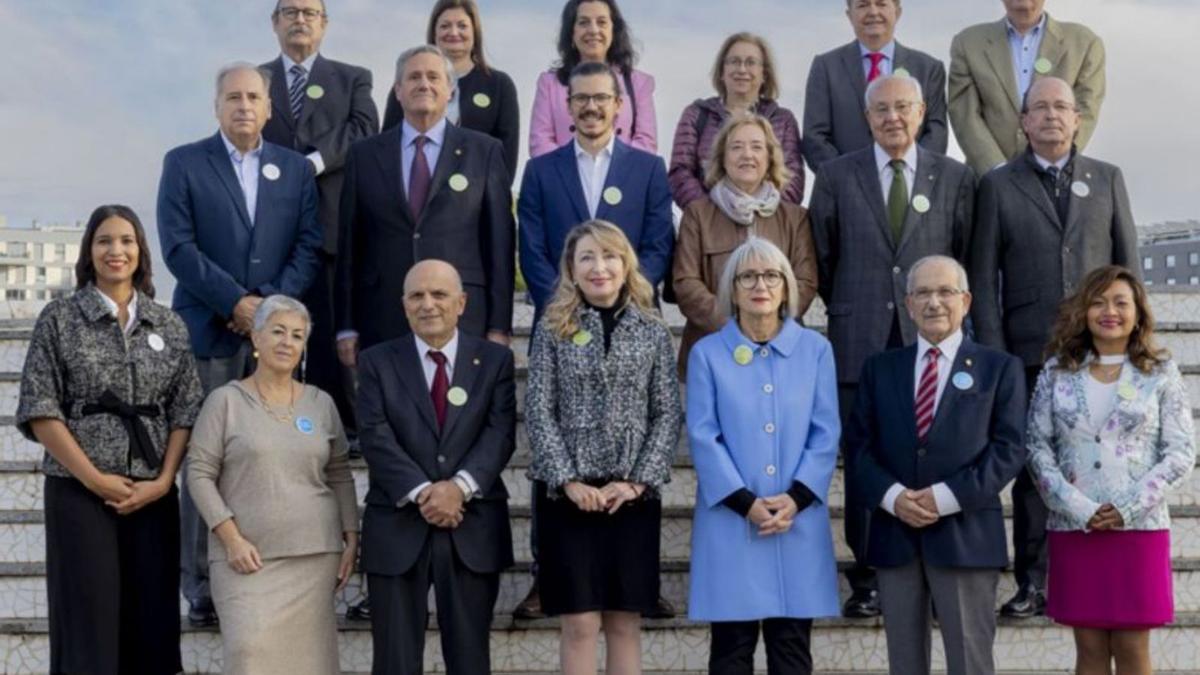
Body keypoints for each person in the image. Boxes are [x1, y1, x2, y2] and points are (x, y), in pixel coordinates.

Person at [158, 61, 323, 626]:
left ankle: (270, 564)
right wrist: (237, 304)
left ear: (270, 107)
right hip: (207, 334)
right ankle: (200, 582)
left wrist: (268, 310)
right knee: (205, 461)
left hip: (274, 342)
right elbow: (178, 248)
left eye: (254, 96)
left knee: (273, 459)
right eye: (233, 97)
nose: (244, 106)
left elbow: (309, 244)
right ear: (217, 106)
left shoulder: (296, 170)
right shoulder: (183, 163)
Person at [968, 75, 1138, 618]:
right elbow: (982, 273)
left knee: (1098, 463)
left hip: (1100, 352)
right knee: (1033, 474)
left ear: (1077, 118)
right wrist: (996, 355)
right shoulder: (997, 186)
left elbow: (1128, 271)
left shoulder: (1107, 179)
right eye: (1039, 107)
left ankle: (1091, 575)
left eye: (1061, 107)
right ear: (1023, 121)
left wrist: (1130, 346)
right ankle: (1034, 582)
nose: (1051, 116)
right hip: (1027, 353)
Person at [808, 72, 975, 618]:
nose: (892, 118)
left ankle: (929, 570)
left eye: (903, 108)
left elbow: (963, 253)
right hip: (858, 343)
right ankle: (866, 577)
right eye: (881, 109)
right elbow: (824, 260)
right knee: (863, 462)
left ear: (922, 111)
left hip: (931, 343)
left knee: (931, 458)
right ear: (867, 116)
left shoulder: (953, 177)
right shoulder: (834, 176)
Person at [16, 205, 203, 675]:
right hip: (79, 493)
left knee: (152, 624)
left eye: (126, 241)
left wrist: (163, 482)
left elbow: (185, 410)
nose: (115, 251)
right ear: (89, 251)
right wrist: (97, 480)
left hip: (151, 495)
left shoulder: (168, 324)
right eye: (104, 241)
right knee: (87, 624)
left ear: (141, 251)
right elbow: (41, 409)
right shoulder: (60, 318)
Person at [848, 255, 1027, 675]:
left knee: (970, 663)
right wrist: (894, 498)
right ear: (908, 304)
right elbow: (857, 446)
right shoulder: (880, 368)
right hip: (896, 536)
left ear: (965, 301)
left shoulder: (999, 368)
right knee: (904, 665)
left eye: (945, 291)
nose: (934, 302)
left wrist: (944, 498)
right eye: (923, 293)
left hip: (966, 536)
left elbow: (1009, 449)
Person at [525, 220, 682, 675]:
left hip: (629, 500)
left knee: (624, 622)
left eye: (609, 255)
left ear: (625, 263)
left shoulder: (651, 330)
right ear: (571, 269)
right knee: (579, 623)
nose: (599, 267)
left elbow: (666, 413)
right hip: (567, 498)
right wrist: (568, 480)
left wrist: (635, 484)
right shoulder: (552, 328)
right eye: (587, 258)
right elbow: (539, 409)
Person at [1027, 265, 1195, 675]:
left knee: (1133, 649)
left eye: (1121, 302)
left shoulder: (1160, 372)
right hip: (1075, 527)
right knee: (1089, 649)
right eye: (1098, 301)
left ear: (1138, 311)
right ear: (1083, 310)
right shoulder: (1056, 371)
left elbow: (1180, 452)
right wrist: (1080, 507)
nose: (1110, 311)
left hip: (1139, 529)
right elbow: (1036, 447)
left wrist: (1127, 507)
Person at [686, 238, 841, 675]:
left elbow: (825, 431)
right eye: (748, 276)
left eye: (771, 275)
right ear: (731, 290)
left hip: (797, 520)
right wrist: (746, 504)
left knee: (792, 650)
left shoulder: (815, 351)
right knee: (730, 652)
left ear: (786, 287)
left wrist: (796, 497)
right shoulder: (707, 354)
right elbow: (703, 436)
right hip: (731, 522)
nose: (761, 285)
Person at [356, 260, 516, 675]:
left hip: (472, 526)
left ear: (461, 303)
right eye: (417, 296)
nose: (428, 304)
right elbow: (374, 435)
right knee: (394, 662)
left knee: (469, 660)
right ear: (404, 305)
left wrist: (458, 488)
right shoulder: (375, 362)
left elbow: (500, 433)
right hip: (397, 526)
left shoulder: (495, 361)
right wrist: (425, 491)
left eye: (439, 294)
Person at [186, 295, 359, 674]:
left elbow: (340, 473)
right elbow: (198, 473)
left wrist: (351, 536)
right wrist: (231, 538)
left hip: (314, 557)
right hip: (245, 560)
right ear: (256, 338)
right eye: (278, 331)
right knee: (249, 657)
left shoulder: (320, 403)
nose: (287, 342)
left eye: (297, 336)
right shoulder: (225, 402)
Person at [336, 44, 514, 365]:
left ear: (450, 91)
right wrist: (346, 326)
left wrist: (499, 324)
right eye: (414, 77)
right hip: (383, 314)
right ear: (398, 91)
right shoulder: (364, 154)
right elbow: (350, 244)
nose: (424, 84)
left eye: (434, 77)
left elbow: (500, 243)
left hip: (464, 315)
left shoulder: (484, 152)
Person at [260, 0, 381, 441]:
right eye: (290, 11)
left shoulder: (352, 78)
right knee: (276, 330)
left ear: (324, 24)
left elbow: (365, 129)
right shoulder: (255, 80)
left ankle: (338, 429)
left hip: (331, 227)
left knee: (330, 335)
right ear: (275, 23)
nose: (300, 19)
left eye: (310, 12)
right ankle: (275, 423)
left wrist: (312, 162)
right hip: (271, 233)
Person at [519, 61, 674, 319]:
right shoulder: (539, 171)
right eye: (581, 98)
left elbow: (658, 246)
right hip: (561, 319)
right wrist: (565, 303)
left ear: (618, 105)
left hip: (633, 316)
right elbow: (532, 251)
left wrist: (621, 299)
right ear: (568, 105)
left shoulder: (649, 169)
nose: (591, 107)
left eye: (601, 97)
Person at [673, 113, 818, 377]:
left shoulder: (795, 218)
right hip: (712, 351)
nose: (747, 155)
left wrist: (766, 326)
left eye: (756, 147)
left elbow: (805, 282)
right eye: (736, 147)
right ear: (722, 158)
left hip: (779, 352)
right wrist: (735, 328)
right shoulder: (697, 214)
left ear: (770, 157)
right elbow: (686, 282)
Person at [949, 0, 1106, 175]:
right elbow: (964, 115)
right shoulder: (969, 43)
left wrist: (1052, 162)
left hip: (1056, 180)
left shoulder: (1084, 43)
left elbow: (1086, 111)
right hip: (987, 181)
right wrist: (998, 172)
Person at [383, 0, 521, 183]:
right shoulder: (410, 82)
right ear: (434, 32)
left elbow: (507, 154)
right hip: (415, 189)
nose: (453, 32)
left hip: (474, 196)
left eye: (462, 26)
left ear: (475, 32)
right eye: (445, 26)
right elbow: (387, 141)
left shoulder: (499, 85)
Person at [802, 0, 948, 173]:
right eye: (863, 5)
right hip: (845, 190)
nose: (873, 12)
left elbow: (936, 132)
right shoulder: (826, 67)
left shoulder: (928, 68)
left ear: (897, 12)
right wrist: (846, 181)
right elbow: (815, 137)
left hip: (909, 185)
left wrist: (909, 175)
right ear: (849, 15)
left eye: (881, 4)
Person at [668, 32, 804, 208]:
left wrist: (766, 215)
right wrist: (710, 214)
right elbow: (680, 173)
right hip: (709, 227)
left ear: (764, 73)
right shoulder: (696, 115)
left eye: (751, 62)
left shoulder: (783, 120)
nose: (742, 69)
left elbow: (793, 177)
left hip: (770, 227)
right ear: (722, 71)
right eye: (734, 61)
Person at [528, 0, 656, 158]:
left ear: (613, 30)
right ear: (571, 31)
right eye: (583, 22)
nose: (593, 30)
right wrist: (577, 172)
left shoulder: (639, 84)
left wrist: (611, 172)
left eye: (602, 22)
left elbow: (646, 143)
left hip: (623, 179)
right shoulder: (549, 84)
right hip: (564, 179)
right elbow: (540, 142)